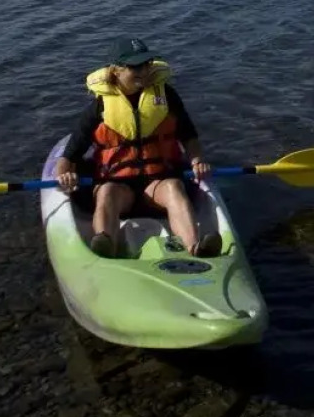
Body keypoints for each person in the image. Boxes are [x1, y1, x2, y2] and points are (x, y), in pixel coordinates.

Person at [53, 37, 220, 258]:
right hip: (120, 189)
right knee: (107, 192)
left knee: (174, 188)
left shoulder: (167, 97)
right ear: (115, 71)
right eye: (135, 66)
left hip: (156, 186)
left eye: (147, 63)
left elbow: (189, 137)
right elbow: (70, 155)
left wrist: (197, 160)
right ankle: (106, 248)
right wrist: (64, 176)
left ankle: (195, 248)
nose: (143, 70)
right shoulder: (99, 108)